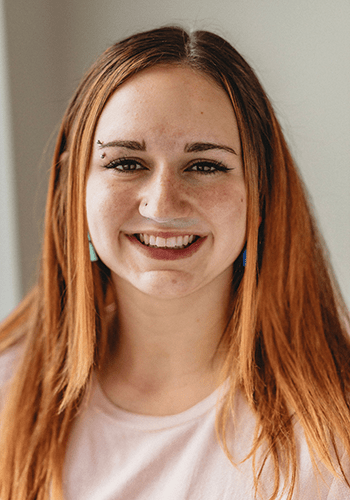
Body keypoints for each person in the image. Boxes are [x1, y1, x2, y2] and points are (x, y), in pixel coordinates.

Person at [0, 26, 349, 500]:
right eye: (126, 163)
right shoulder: (8, 390)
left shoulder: (336, 425)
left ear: (262, 193)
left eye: (204, 165)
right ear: (72, 189)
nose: (162, 204)